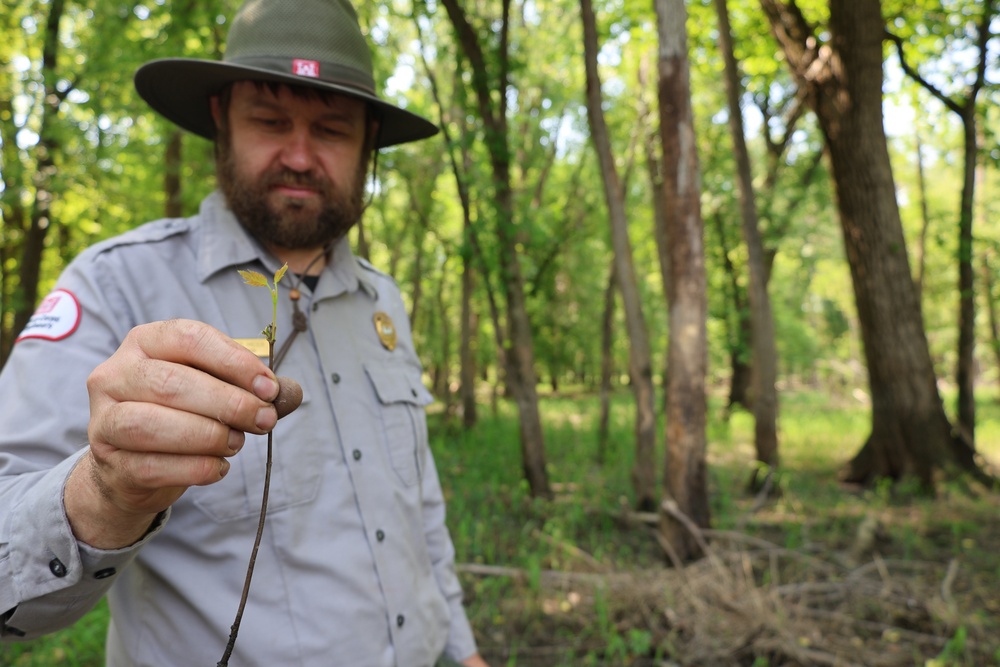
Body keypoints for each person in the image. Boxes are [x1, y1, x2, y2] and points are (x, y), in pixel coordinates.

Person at [0, 0, 489, 665]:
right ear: (221, 119)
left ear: (369, 142)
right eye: (269, 120)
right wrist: (104, 492)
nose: (300, 155)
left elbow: (418, 509)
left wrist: (461, 647)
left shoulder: (384, 302)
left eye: (332, 129)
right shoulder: (119, 285)